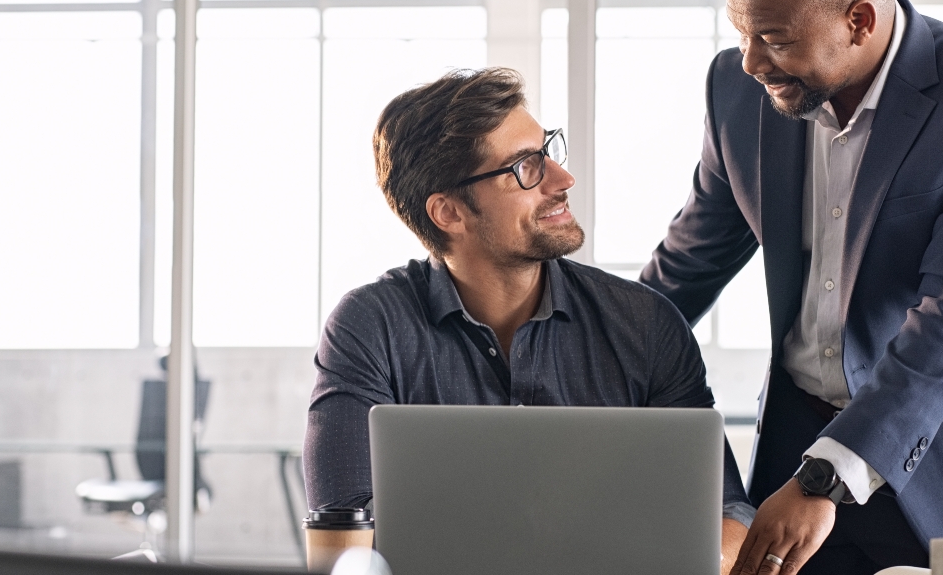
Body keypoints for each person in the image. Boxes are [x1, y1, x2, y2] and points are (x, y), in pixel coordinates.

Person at [639, 0, 943, 574]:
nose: (751, 61)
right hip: (795, 444)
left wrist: (826, 478)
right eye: (741, 33)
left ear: (859, 20)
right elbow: (685, 265)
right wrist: (573, 348)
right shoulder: (736, 88)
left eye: (773, 39)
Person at [303, 67, 757, 570]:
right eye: (525, 167)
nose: (563, 180)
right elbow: (343, 534)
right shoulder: (368, 328)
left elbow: (725, 511)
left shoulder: (647, 324)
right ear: (448, 212)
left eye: (549, 151)